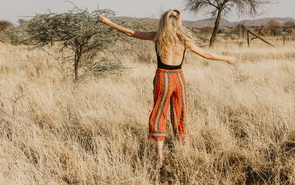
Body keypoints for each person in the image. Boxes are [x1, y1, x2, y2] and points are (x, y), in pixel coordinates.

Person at [97, 9, 238, 165]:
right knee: (180, 113)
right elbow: (206, 54)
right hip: (178, 77)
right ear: (177, 22)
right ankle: (183, 150)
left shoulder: (157, 37)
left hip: (163, 76)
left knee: (159, 113)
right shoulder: (183, 39)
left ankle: (160, 157)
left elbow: (131, 33)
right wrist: (226, 58)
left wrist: (110, 23)